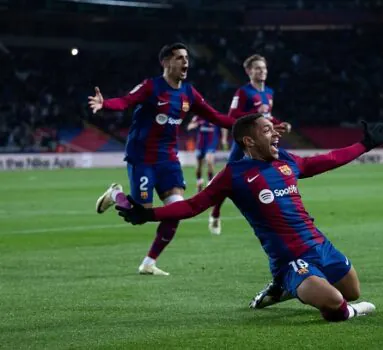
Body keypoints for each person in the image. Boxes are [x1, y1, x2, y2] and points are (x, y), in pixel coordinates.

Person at [115, 113, 383, 321]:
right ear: (249, 140)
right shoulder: (233, 175)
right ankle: (321, 297)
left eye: (274, 130)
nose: (276, 134)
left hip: (320, 245)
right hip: (289, 260)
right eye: (267, 130)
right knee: (336, 304)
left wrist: (365, 144)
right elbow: (192, 206)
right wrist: (148, 214)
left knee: (353, 290)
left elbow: (326, 160)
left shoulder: (286, 160)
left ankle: (287, 290)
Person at [88, 42, 235, 276]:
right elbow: (126, 101)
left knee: (175, 211)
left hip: (168, 159)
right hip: (142, 157)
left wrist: (248, 123)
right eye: (179, 58)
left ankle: (148, 262)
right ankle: (115, 194)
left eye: (186, 57)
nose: (185, 62)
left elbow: (216, 116)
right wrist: (104, 103)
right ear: (166, 62)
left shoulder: (189, 93)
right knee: (139, 216)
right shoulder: (151, 87)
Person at [209, 54, 291, 234]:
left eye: (264, 68)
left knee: (275, 173)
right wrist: (255, 114)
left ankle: (276, 214)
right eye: (257, 68)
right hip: (244, 142)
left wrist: (280, 122)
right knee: (228, 177)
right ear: (249, 71)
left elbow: (267, 117)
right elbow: (231, 118)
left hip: (263, 143)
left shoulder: (269, 92)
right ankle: (215, 212)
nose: (262, 71)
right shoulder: (243, 92)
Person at [186, 115, 226, 195]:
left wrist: (223, 139)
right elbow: (189, 127)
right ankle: (199, 182)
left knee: (209, 160)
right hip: (200, 145)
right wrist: (195, 125)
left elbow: (223, 126)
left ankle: (210, 183)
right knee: (198, 166)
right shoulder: (197, 117)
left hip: (211, 144)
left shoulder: (214, 116)